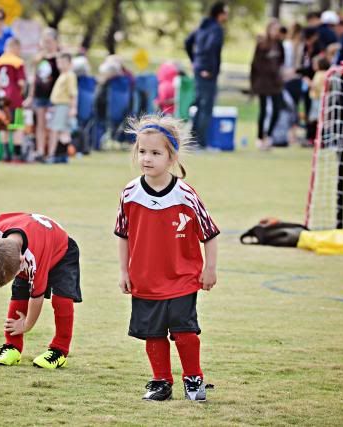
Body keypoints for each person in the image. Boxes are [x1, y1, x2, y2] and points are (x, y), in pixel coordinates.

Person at [115, 115, 220, 401]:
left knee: (185, 332)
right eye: (142, 152)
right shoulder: (130, 193)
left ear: (171, 157)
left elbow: (209, 234)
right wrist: (124, 272)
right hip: (145, 278)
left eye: (155, 153)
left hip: (182, 277)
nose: (147, 159)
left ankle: (193, 379)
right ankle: (161, 381)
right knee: (153, 333)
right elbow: (123, 234)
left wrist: (210, 269)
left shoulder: (185, 195)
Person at [0, 212, 82, 369]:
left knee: (62, 299)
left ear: (21, 261)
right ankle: (12, 347)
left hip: (62, 252)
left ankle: (59, 351)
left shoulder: (33, 259)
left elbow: (37, 297)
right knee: (19, 292)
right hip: (33, 241)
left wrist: (26, 325)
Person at [185, 1, 228, 149]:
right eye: (225, 13)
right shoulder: (216, 29)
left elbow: (187, 42)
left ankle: (192, 140)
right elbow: (211, 47)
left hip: (198, 69)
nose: (227, 16)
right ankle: (200, 143)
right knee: (206, 107)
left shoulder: (202, 27)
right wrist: (208, 69)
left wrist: (194, 61)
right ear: (219, 14)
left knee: (199, 104)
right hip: (207, 72)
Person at [24, 28, 60, 162]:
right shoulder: (39, 58)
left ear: (55, 42)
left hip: (54, 97)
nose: (47, 44)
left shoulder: (59, 58)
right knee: (40, 124)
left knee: (52, 125)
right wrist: (30, 96)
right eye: (45, 41)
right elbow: (34, 79)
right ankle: (39, 151)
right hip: (40, 95)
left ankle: (51, 152)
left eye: (49, 41)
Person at [250, 19, 285, 150]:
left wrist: (279, 74)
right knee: (263, 110)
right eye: (274, 29)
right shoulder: (262, 45)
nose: (276, 32)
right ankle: (260, 137)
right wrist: (253, 84)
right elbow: (255, 65)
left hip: (275, 82)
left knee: (277, 109)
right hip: (263, 82)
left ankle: (269, 136)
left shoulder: (279, 45)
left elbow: (282, 61)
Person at [0, 37, 26, 162]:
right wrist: (23, 92)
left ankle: (6, 154)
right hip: (14, 99)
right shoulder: (18, 62)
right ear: (16, 48)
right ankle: (17, 154)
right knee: (17, 127)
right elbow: (21, 82)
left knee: (4, 127)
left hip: (1, 99)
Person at [47, 52, 77, 163]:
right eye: (59, 62)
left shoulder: (70, 75)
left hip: (63, 106)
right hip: (58, 106)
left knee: (57, 130)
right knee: (62, 131)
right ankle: (61, 155)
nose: (60, 64)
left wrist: (73, 108)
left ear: (69, 63)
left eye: (63, 62)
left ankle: (53, 154)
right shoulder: (63, 75)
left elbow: (73, 93)